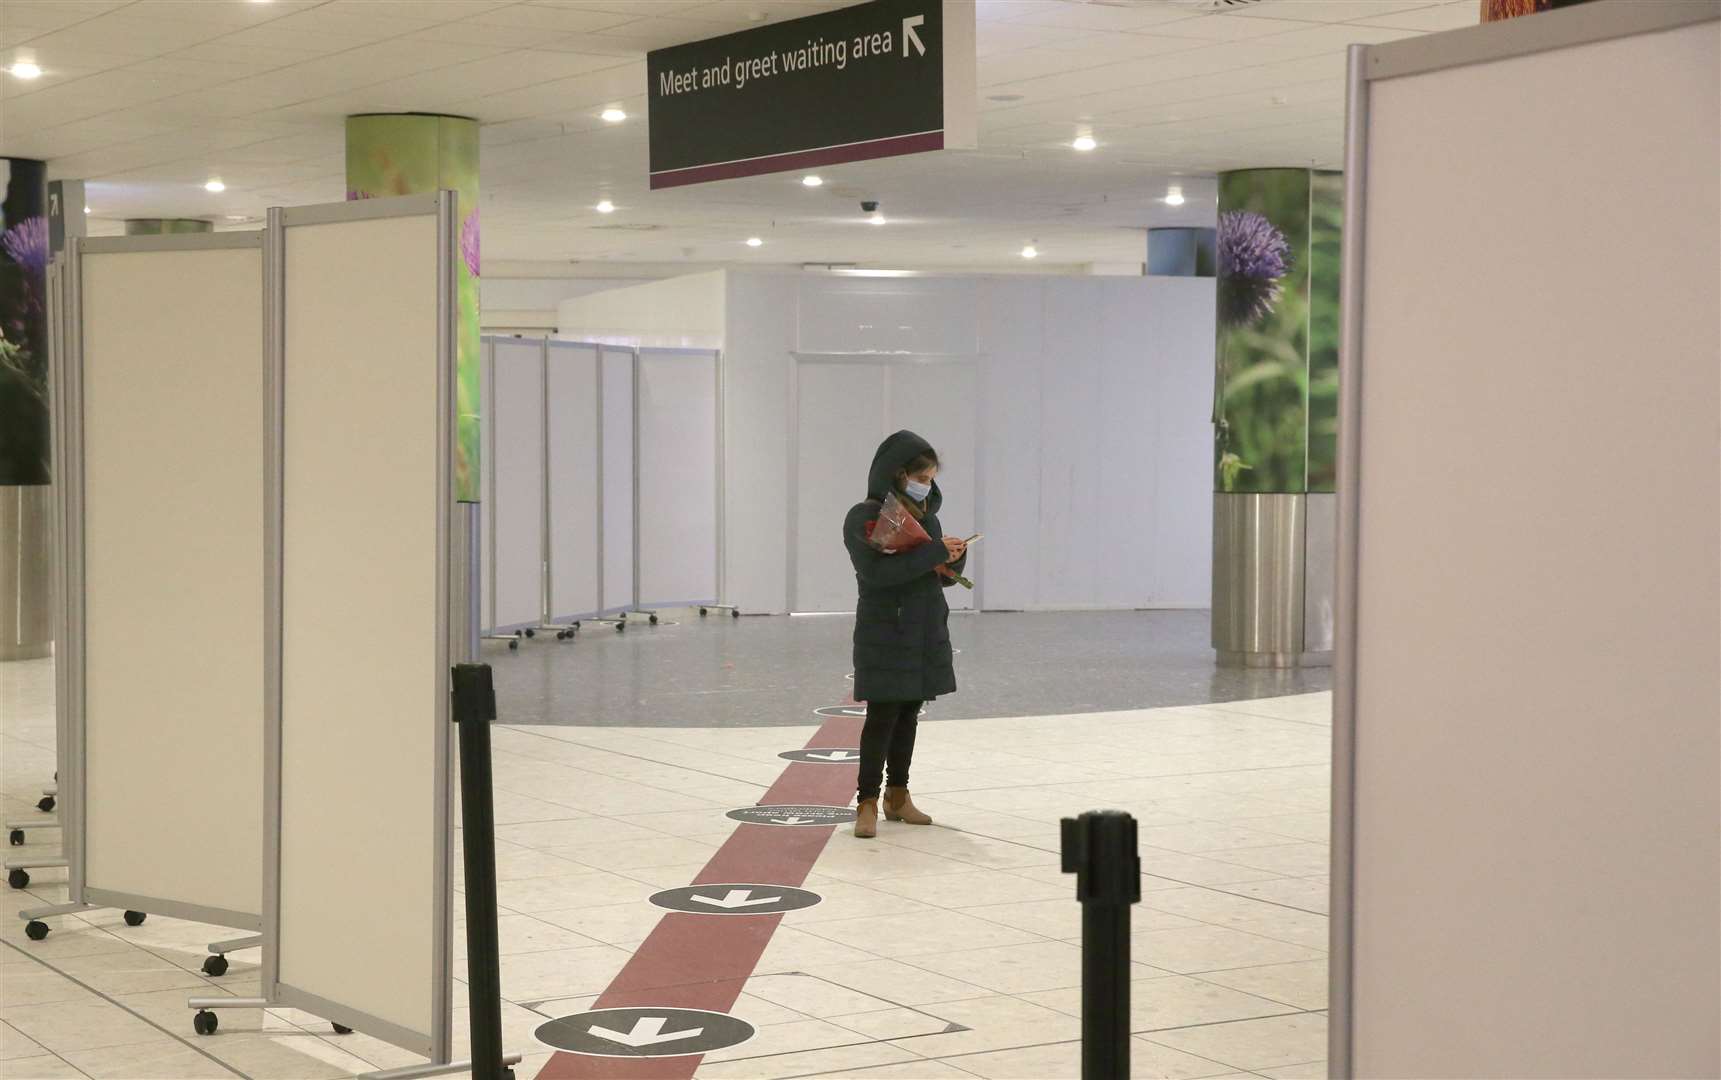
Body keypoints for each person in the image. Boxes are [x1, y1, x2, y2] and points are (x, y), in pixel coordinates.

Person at [843, 430, 967, 839]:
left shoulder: (928, 517)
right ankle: (867, 801)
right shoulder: (865, 517)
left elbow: (934, 577)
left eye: (931, 478)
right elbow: (877, 574)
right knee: (882, 715)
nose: (927, 485)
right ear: (898, 474)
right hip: (886, 628)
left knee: (910, 713)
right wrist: (932, 553)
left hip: (924, 625)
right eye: (922, 476)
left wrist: (953, 560)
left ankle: (899, 795)